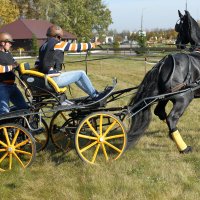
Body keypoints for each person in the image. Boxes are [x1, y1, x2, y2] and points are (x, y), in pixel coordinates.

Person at [35, 25, 110, 103]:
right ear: (58, 36)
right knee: (81, 73)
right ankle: (95, 96)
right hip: (53, 81)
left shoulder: (43, 47)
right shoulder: (57, 43)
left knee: (76, 75)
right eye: (60, 37)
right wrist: (93, 44)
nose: (60, 39)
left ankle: (93, 94)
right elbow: (76, 47)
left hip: (45, 80)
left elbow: (37, 64)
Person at [0, 32, 28, 114]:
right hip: (2, 87)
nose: (11, 45)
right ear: (2, 43)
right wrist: (11, 67)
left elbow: (15, 63)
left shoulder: (8, 53)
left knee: (24, 108)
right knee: (4, 113)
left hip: (12, 86)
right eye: (9, 42)